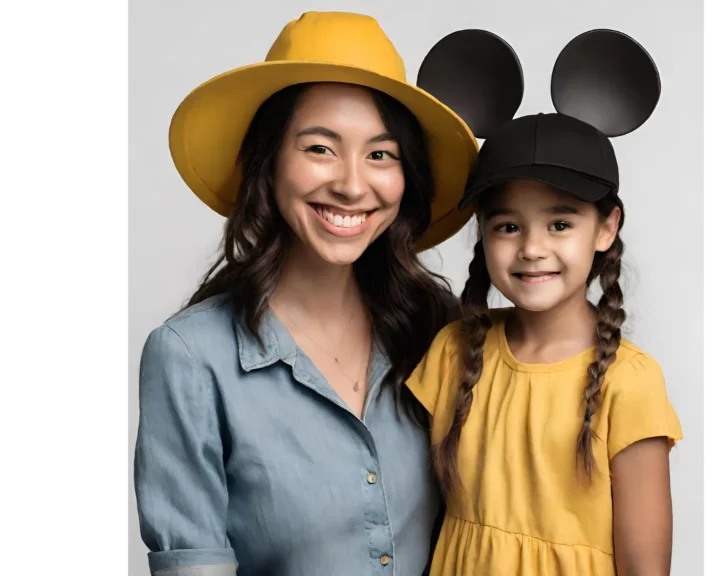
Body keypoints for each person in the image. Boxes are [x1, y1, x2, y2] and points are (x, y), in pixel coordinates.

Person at [133, 12, 489, 576]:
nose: (351, 184)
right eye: (320, 148)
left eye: (381, 154)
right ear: (268, 163)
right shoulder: (190, 356)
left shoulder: (435, 328)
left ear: (407, 177)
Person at [404, 29, 684, 575]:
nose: (532, 249)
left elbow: (646, 568)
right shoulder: (452, 351)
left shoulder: (630, 383)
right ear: (481, 233)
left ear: (606, 228)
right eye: (508, 225)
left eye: (560, 222)